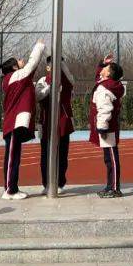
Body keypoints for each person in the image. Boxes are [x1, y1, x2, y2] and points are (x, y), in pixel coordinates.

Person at [0, 39, 45, 201]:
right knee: (12, 157)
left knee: (13, 156)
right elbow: (32, 64)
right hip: (13, 123)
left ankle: (12, 188)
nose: (21, 61)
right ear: (14, 67)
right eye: (18, 61)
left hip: (14, 123)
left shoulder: (14, 78)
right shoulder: (15, 76)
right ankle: (10, 190)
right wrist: (38, 46)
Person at [36, 55, 75, 195]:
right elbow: (38, 95)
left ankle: (59, 183)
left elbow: (70, 79)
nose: (54, 67)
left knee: (62, 154)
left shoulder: (67, 79)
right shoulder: (42, 81)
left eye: (58, 64)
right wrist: (50, 88)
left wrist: (61, 63)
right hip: (46, 122)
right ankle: (47, 183)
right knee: (45, 154)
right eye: (51, 65)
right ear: (47, 67)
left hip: (63, 122)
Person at [90, 56, 126, 198]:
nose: (102, 70)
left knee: (111, 159)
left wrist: (102, 127)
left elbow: (105, 109)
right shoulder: (108, 84)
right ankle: (110, 185)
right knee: (109, 159)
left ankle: (115, 188)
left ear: (109, 74)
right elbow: (98, 77)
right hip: (108, 127)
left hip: (108, 128)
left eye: (105, 68)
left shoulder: (105, 88)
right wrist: (103, 63)